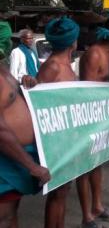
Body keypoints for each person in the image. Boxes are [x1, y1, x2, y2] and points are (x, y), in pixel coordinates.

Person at [76, 14, 109, 228]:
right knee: (85, 168)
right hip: (90, 117)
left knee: (96, 165)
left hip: (101, 117)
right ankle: (86, 216)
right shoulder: (95, 54)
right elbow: (88, 90)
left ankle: (97, 206)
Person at [0, 22, 50, 228]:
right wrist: (32, 167)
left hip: (13, 159)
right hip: (6, 160)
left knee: (10, 214)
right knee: (3, 217)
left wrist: (24, 82)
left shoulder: (2, 68)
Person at [36, 16, 80, 228]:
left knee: (63, 191)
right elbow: (37, 102)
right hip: (55, 141)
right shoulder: (52, 66)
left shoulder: (66, 65)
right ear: (73, 41)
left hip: (67, 138)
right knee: (58, 192)